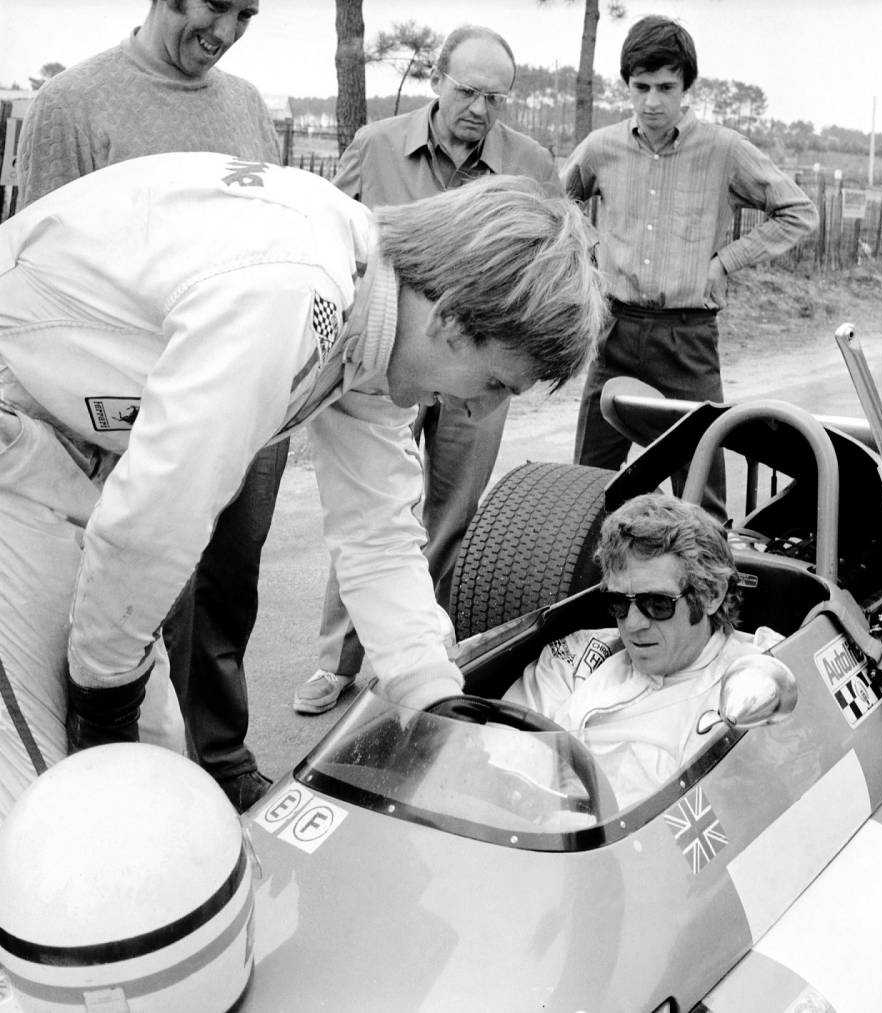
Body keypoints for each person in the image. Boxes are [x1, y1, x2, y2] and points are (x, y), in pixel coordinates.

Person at [0, 153, 606, 820]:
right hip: (21, 445)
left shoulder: (369, 304)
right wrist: (105, 694)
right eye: (496, 384)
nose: (477, 411)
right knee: (46, 816)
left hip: (72, 459)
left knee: (154, 791)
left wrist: (436, 697)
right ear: (454, 322)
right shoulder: (293, 291)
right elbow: (159, 510)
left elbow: (377, 533)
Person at [15, 0, 290, 810]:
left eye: (246, 14)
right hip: (132, 413)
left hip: (244, 401)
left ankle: (223, 754)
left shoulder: (244, 105)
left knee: (228, 592)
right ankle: (147, 787)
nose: (227, 31)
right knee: (148, 602)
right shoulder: (74, 103)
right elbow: (41, 270)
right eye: (214, 6)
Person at [294, 25, 561, 717]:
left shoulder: (531, 164)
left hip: (476, 373)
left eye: (495, 98)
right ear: (437, 78)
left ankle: (412, 660)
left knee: (448, 512)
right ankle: (337, 660)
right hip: (390, 354)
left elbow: (549, 266)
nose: (479, 108)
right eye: (467, 90)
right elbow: (333, 238)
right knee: (371, 498)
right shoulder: (375, 145)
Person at [563, 15, 817, 519]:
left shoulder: (724, 150)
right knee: (587, 485)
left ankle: (705, 588)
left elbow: (799, 212)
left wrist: (726, 261)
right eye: (641, 87)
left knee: (702, 493)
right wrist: (590, 250)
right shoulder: (600, 148)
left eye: (666, 87)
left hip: (687, 339)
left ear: (686, 87)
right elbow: (559, 203)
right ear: (627, 86)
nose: (653, 101)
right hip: (613, 331)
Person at [505, 493, 782, 809]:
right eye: (619, 604)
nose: (633, 624)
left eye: (657, 604)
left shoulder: (751, 687)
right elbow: (502, 764)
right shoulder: (572, 660)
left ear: (711, 595)